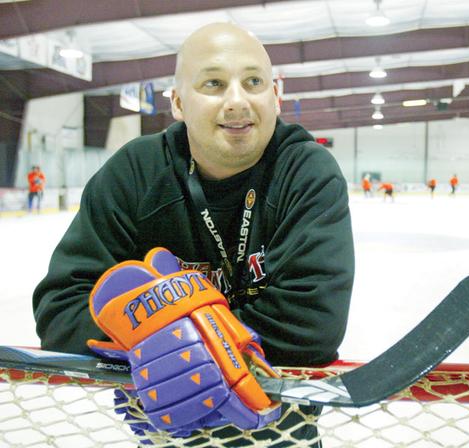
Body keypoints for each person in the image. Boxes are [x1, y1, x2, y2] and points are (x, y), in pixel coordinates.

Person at [32, 23, 354, 446]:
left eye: (253, 81)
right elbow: (60, 309)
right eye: (214, 84)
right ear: (180, 103)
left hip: (280, 423)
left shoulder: (306, 172)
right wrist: (181, 343)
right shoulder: (134, 174)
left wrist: (166, 340)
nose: (237, 101)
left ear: (275, 95)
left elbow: (311, 328)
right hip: (167, 429)